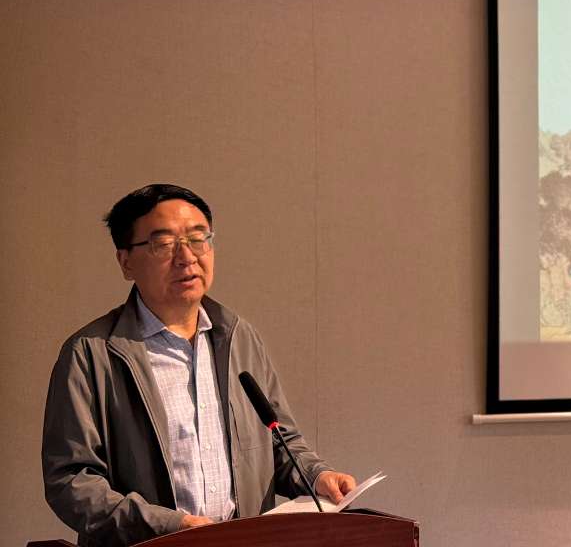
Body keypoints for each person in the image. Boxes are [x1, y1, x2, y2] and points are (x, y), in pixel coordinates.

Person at [42, 184, 356, 546]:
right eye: (164, 244)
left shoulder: (239, 337)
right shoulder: (91, 353)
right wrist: (169, 526)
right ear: (126, 262)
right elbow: (71, 481)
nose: (187, 257)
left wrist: (317, 476)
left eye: (198, 238)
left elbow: (279, 441)